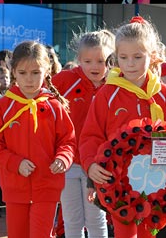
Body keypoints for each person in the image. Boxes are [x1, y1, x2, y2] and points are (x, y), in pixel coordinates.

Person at [79, 17, 166, 237]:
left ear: (152, 56)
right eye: (123, 57)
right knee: (125, 233)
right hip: (120, 184)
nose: (130, 63)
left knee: (150, 233)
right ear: (116, 58)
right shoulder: (107, 94)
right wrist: (90, 166)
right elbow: (90, 136)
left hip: (158, 181)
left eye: (137, 57)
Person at [0, 41, 74, 238]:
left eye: (35, 72)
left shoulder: (54, 106)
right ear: (13, 71)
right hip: (15, 187)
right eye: (23, 73)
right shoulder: (3, 106)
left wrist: (63, 158)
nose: (29, 79)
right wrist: (15, 163)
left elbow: (68, 140)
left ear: (46, 71)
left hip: (47, 186)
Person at [52, 30, 114, 238]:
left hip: (99, 165)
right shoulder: (64, 80)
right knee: (72, 219)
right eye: (88, 61)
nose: (95, 67)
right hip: (69, 163)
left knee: (97, 219)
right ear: (78, 59)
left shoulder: (115, 86)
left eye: (101, 60)